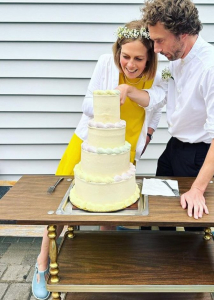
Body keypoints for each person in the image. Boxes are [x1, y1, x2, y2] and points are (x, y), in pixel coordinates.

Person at [32, 19, 161, 300]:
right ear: (118, 52)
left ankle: (105, 261)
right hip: (88, 143)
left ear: (150, 57)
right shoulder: (106, 63)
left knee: (111, 206)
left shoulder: (157, 73)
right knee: (61, 203)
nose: (130, 64)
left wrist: (149, 134)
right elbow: (87, 104)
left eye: (139, 58)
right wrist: (112, 96)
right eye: (125, 56)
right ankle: (42, 263)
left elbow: (158, 104)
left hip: (123, 148)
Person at [117, 0, 214, 225]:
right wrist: (129, 90)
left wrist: (198, 189)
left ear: (182, 32)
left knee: (190, 220)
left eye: (160, 41)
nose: (156, 49)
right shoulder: (175, 62)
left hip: (198, 155)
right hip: (174, 148)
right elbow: (157, 96)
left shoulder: (212, 69)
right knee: (160, 212)